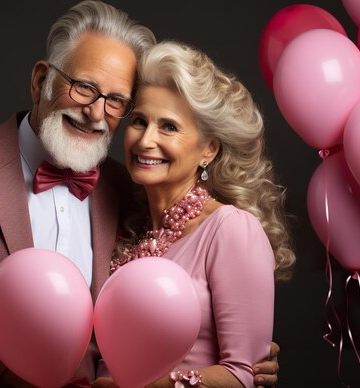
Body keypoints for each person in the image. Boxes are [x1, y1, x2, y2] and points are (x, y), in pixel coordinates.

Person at [0, 1, 281, 387]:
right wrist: (2, 380)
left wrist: (242, 367)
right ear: (40, 81)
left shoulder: (125, 189)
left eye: (116, 101)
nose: (95, 112)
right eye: (84, 87)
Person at [94, 41, 296, 388]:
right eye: (139, 121)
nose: (145, 140)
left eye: (168, 127)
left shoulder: (230, 229)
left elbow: (241, 377)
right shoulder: (125, 231)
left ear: (209, 149)